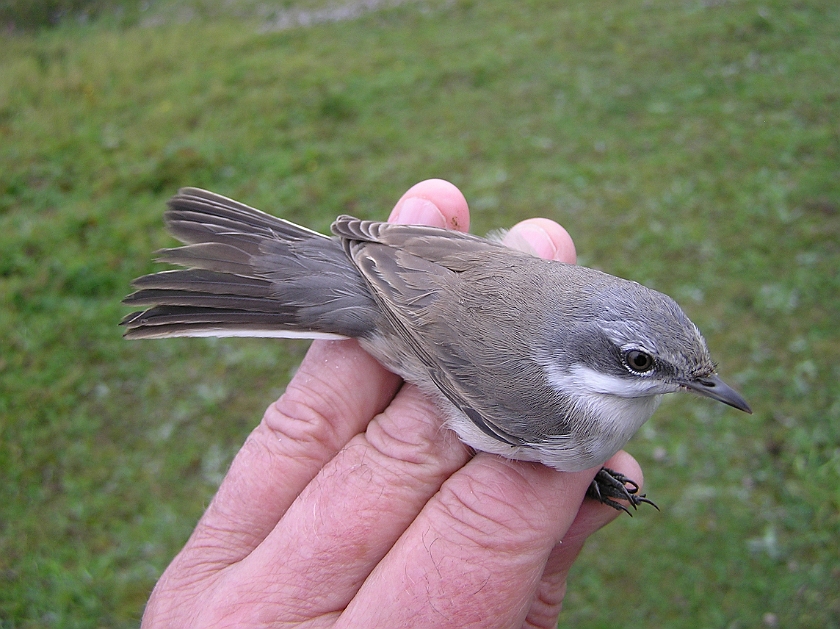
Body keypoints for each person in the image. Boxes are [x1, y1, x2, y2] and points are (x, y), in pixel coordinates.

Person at [140, 179, 645, 629]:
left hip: (416, 267)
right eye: (645, 364)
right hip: (405, 321)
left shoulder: (586, 318)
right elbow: (446, 351)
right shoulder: (554, 408)